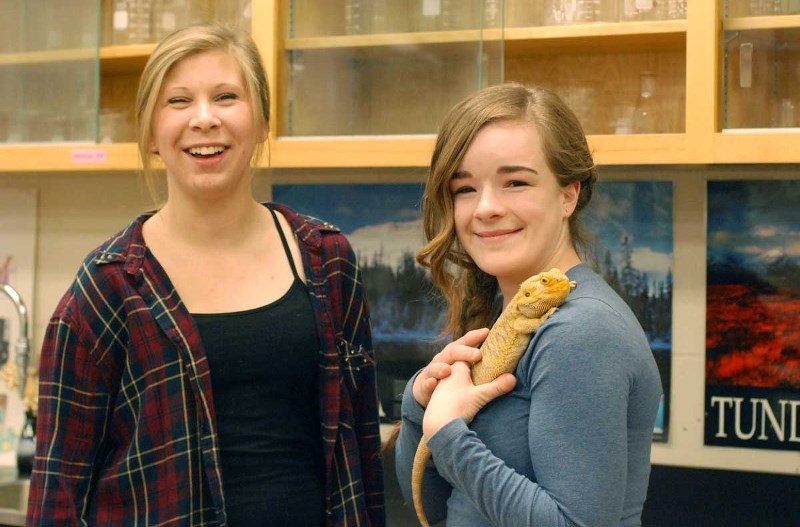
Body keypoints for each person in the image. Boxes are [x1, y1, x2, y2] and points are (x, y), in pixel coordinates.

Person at [27, 23, 385, 527]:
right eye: (178, 101)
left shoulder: (325, 260)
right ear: (151, 133)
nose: (204, 119)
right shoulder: (106, 288)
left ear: (262, 120)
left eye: (226, 96)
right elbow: (56, 495)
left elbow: (363, 447)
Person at [394, 83, 662, 526]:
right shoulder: (514, 318)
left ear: (568, 194)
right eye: (464, 188)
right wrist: (420, 403)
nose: (485, 208)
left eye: (515, 182)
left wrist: (449, 434)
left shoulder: (581, 332)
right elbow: (431, 503)